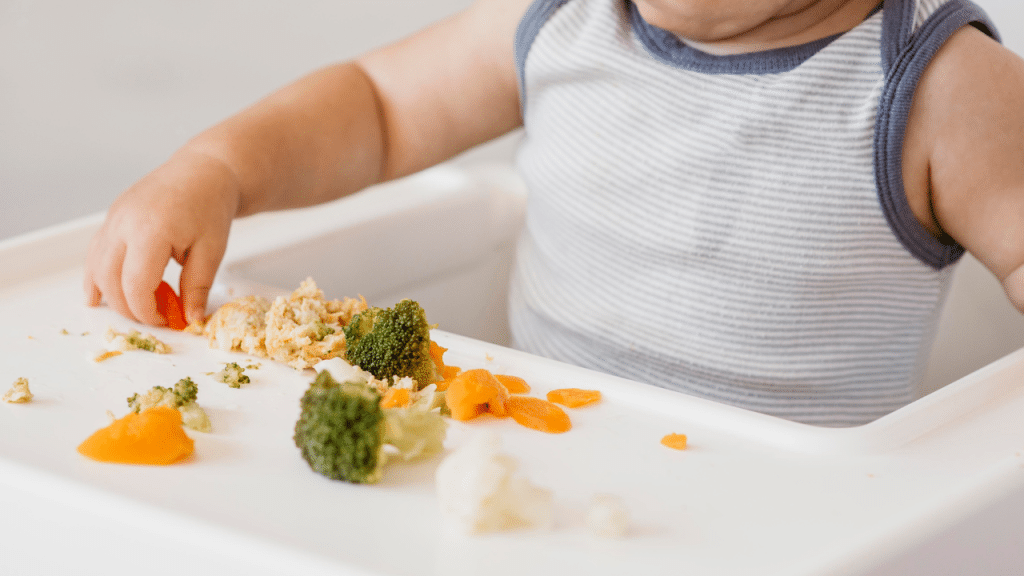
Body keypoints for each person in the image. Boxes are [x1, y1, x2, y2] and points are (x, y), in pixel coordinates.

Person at [84, 0, 1024, 426]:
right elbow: (374, 106)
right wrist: (220, 167)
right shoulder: (560, 20)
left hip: (793, 528)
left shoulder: (941, 85)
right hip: (530, 457)